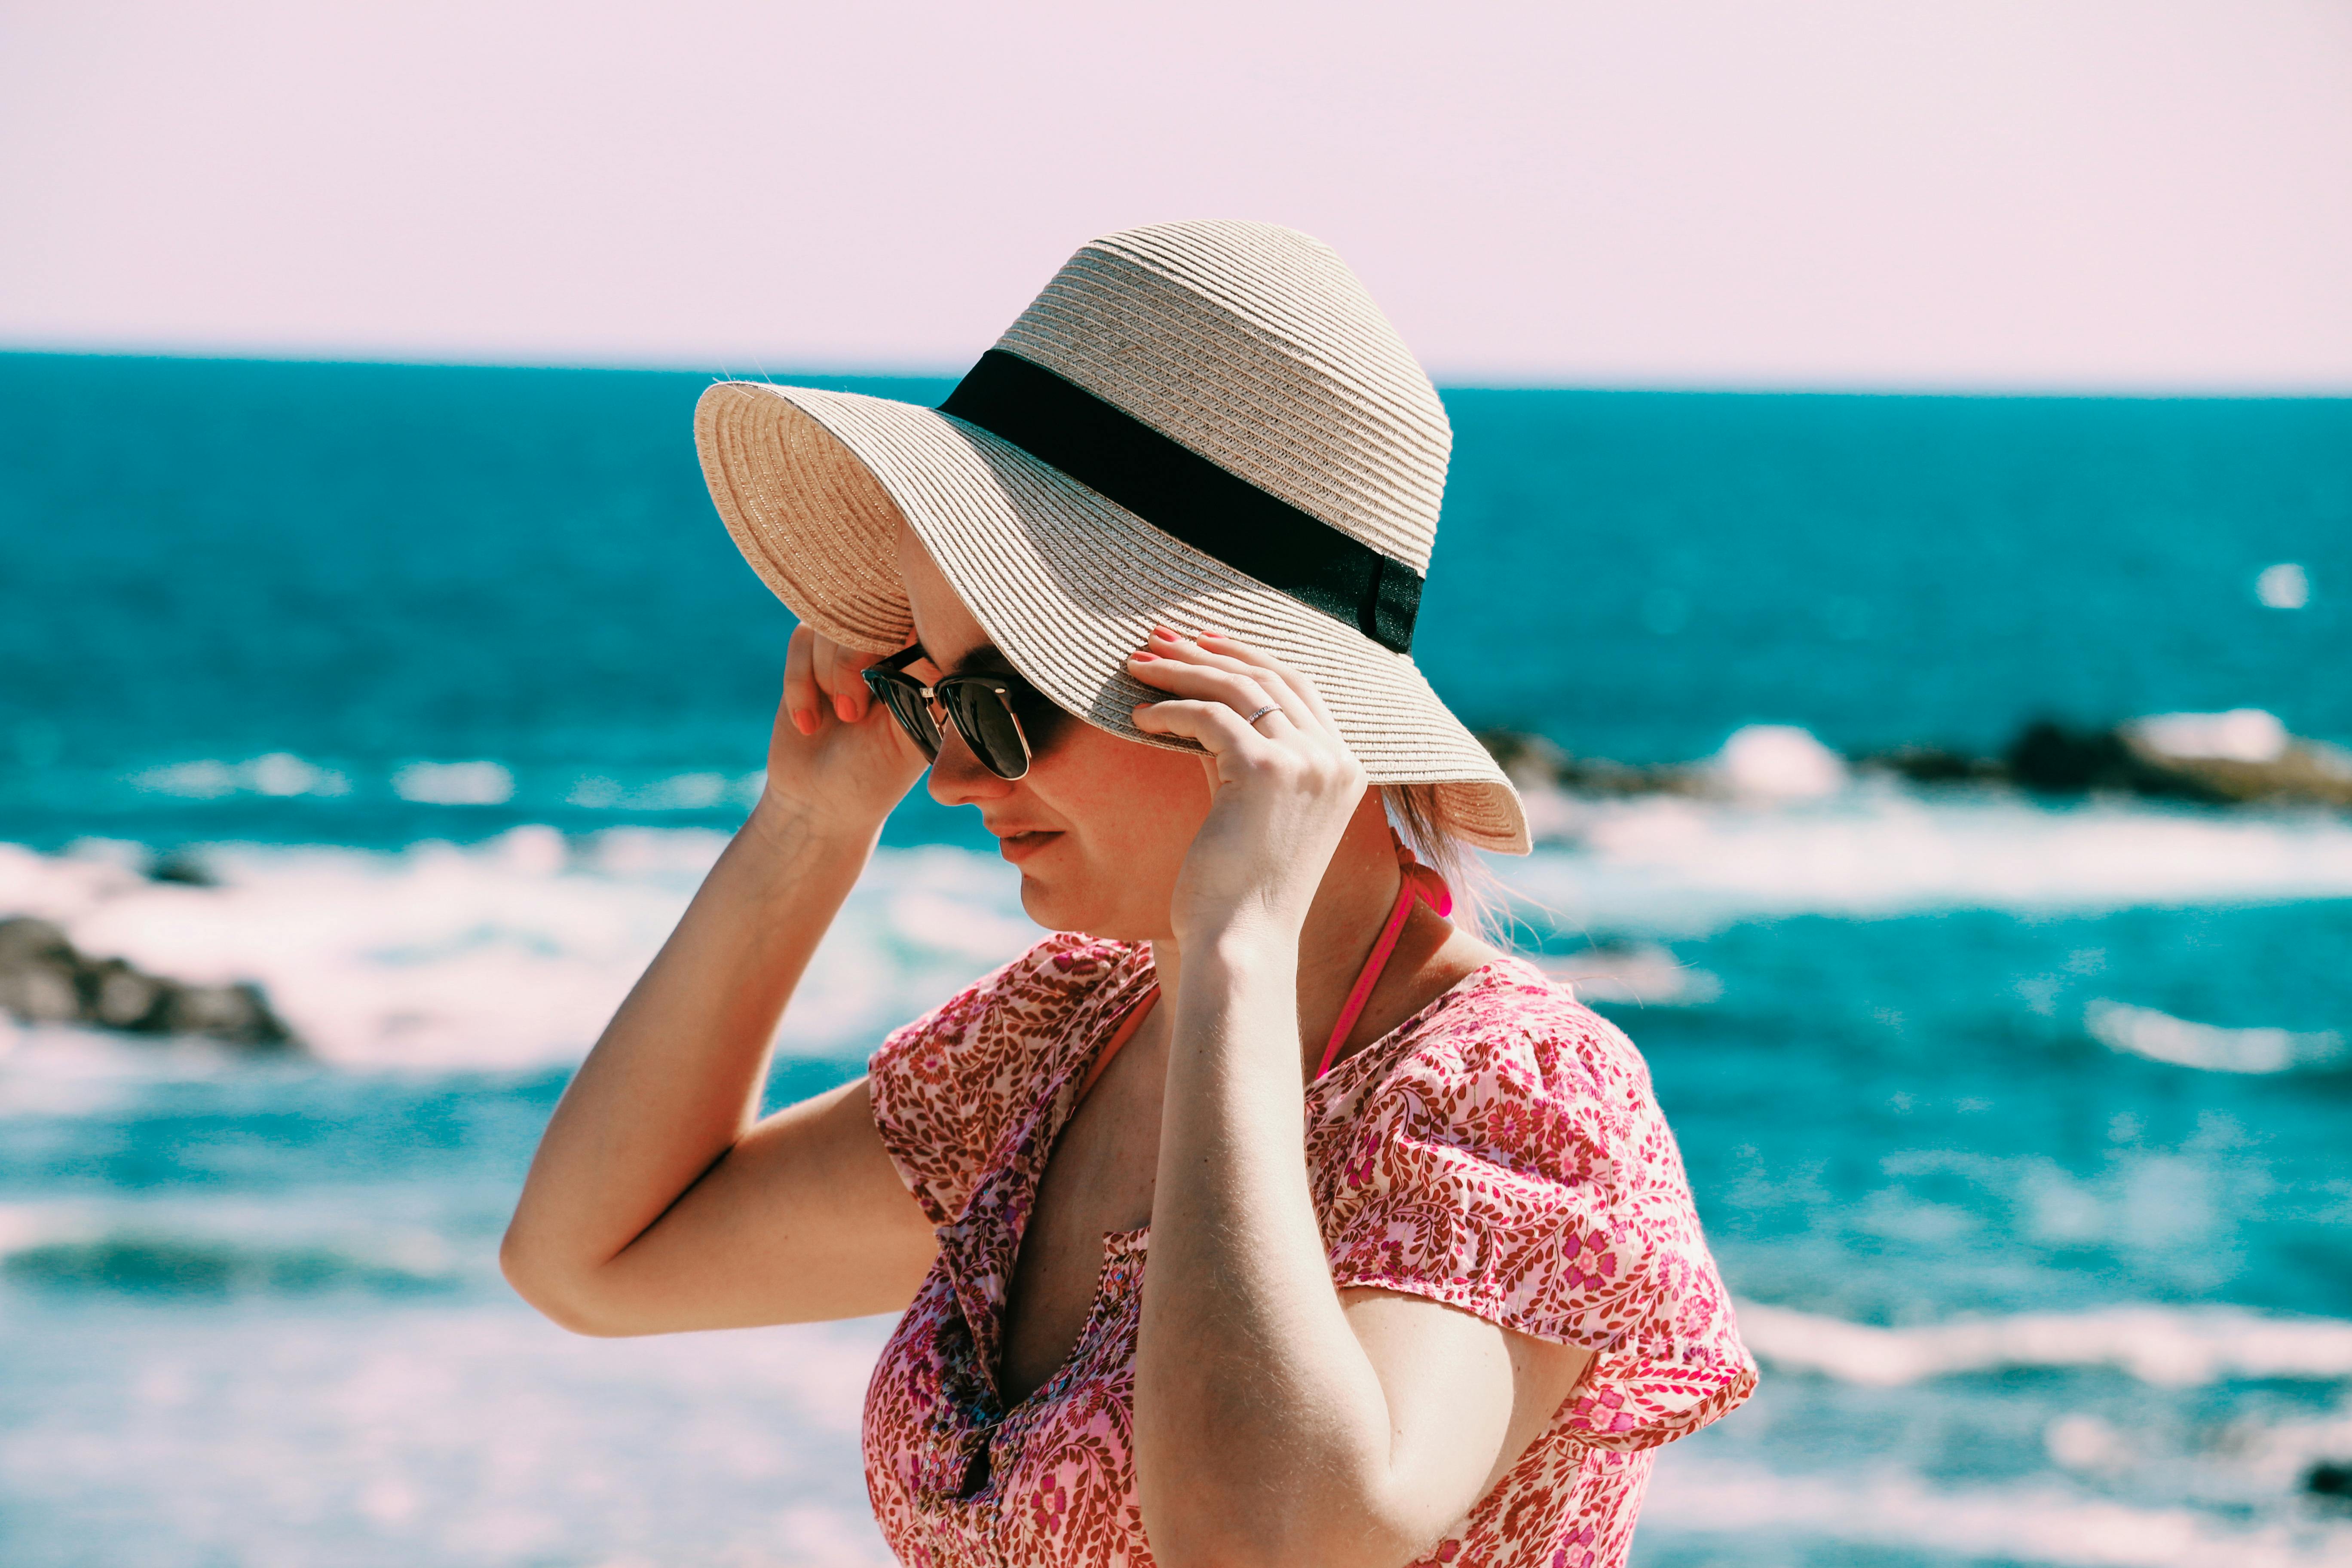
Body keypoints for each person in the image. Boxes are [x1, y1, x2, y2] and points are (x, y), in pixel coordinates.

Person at [501, 221, 1753, 1568]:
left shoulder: (1515, 1099)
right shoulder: (1062, 1043)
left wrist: (1237, 951)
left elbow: (1268, 1542)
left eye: (1005, 697)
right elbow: (594, 1260)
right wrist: (810, 825)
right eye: (932, 696)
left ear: (1262, 700)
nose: (953, 779)